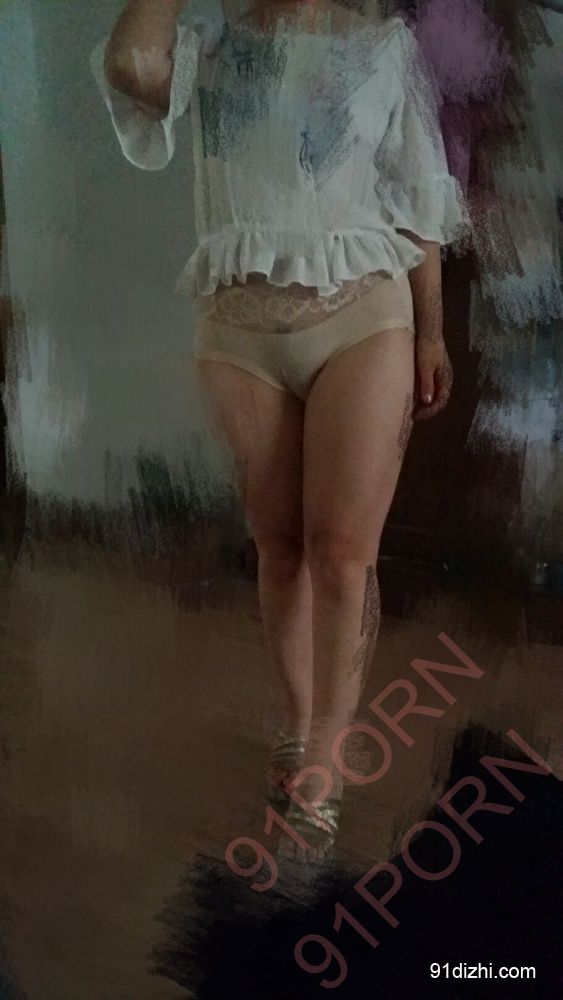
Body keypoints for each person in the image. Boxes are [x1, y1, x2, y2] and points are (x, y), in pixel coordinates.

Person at [90, 0, 469, 862]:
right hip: (238, 330)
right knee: (280, 547)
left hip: (363, 313)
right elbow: (132, 68)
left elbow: (416, 195)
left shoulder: (383, 48)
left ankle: (326, 762)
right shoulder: (210, 43)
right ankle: (299, 727)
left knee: (341, 552)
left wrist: (432, 330)